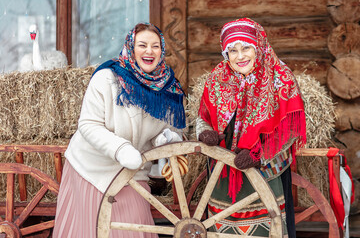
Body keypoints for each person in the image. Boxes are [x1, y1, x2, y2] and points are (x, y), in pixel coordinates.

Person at [53, 22, 186, 238]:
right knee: (90, 229)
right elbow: (88, 124)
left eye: (155, 46)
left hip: (133, 172)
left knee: (134, 224)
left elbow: (174, 129)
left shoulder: (168, 88)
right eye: (142, 45)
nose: (149, 51)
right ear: (131, 48)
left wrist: (165, 138)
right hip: (92, 169)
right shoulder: (107, 78)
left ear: (162, 50)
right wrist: (121, 149)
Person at [196, 18, 306, 237]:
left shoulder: (280, 78)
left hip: (264, 171)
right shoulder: (216, 79)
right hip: (224, 172)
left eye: (246, 47)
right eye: (232, 50)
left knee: (268, 226)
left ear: (259, 46)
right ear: (225, 53)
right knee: (222, 228)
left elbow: (290, 131)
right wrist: (205, 132)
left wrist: (260, 156)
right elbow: (203, 116)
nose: (240, 56)